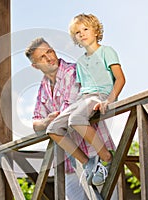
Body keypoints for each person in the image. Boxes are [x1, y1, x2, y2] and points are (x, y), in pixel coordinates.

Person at [25, 37, 116, 199]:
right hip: (70, 163)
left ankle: (99, 161)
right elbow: (36, 122)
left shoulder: (73, 72)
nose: (49, 58)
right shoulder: (43, 87)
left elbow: (68, 114)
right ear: (35, 66)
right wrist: (46, 121)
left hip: (96, 153)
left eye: (50, 51)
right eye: (42, 57)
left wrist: (50, 122)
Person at [46, 13, 126, 187]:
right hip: (84, 98)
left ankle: (106, 157)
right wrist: (68, 108)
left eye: (85, 29)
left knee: (76, 119)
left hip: (101, 95)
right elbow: (82, 89)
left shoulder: (107, 51)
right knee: (53, 129)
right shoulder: (80, 62)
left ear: (96, 31)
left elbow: (120, 79)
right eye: (77, 32)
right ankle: (87, 162)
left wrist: (109, 100)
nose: (81, 34)